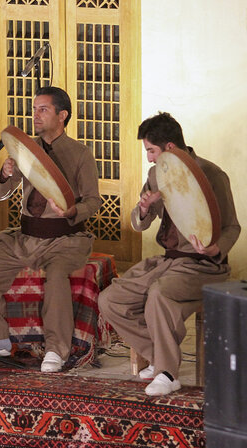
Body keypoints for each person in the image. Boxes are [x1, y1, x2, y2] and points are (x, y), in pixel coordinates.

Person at [98, 112, 240, 396]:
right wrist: (144, 208)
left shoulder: (212, 174)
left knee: (160, 294)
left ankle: (166, 372)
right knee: (110, 299)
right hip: (167, 261)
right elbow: (139, 224)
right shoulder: (155, 174)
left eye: (151, 150)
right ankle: (162, 357)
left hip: (204, 265)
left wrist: (215, 248)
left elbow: (232, 227)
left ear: (170, 148)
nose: (149, 158)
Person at [0, 86, 101, 373]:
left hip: (65, 239)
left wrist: (72, 211)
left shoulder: (80, 153)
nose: (35, 115)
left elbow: (93, 201)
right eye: (34, 109)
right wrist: (5, 173)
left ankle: (56, 349)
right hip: (26, 237)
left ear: (62, 115)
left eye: (43, 109)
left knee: (56, 276)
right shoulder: (27, 150)